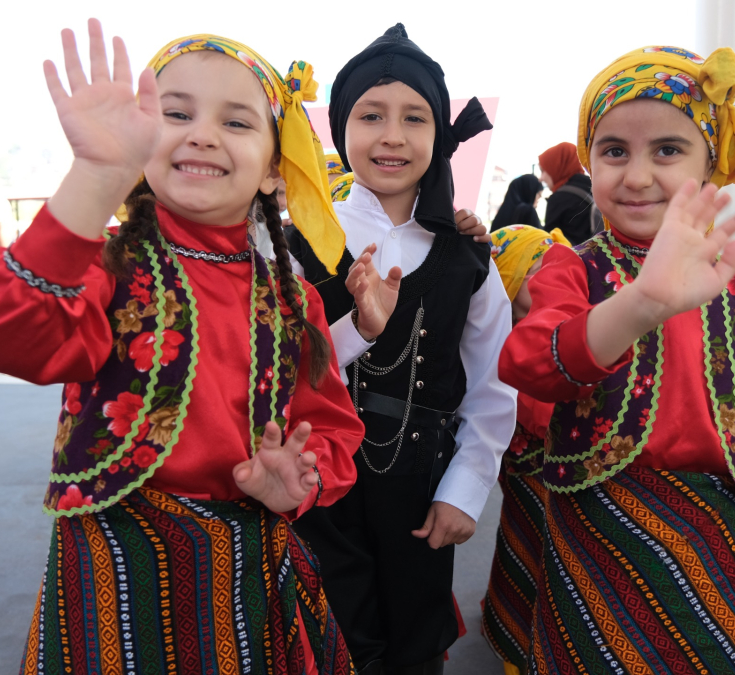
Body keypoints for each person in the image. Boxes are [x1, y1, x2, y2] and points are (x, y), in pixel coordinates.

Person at [0, 21, 370, 673]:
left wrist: (299, 477)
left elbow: (332, 427)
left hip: (246, 579)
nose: (201, 133)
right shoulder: (106, 268)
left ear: (274, 170)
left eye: (236, 122)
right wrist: (96, 175)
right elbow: (1, 331)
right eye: (176, 113)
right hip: (111, 578)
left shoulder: (294, 300)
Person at [500, 45, 735, 675]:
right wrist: (642, 303)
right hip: (589, 552)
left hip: (720, 556)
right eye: (614, 151)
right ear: (589, 161)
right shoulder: (570, 270)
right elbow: (529, 364)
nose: (637, 175)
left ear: (712, 163)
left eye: (668, 150)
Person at [286, 24, 518, 675]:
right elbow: (277, 368)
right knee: (330, 641)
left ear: (439, 135)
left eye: (415, 117)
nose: (392, 135)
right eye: (371, 115)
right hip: (315, 488)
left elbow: (493, 385)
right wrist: (356, 328)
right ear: (340, 129)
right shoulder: (299, 241)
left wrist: (466, 488)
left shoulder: (467, 256)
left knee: (415, 646)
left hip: (421, 490)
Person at [480, 225, 569, 675]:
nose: (550, 279)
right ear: (508, 281)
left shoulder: (567, 333)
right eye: (535, 270)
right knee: (530, 551)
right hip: (531, 476)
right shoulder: (499, 348)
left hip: (555, 479)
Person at [539, 141, 596, 245]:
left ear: (556, 167)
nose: (541, 178)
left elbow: (548, 243)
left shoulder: (558, 199)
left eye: (543, 171)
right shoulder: (594, 187)